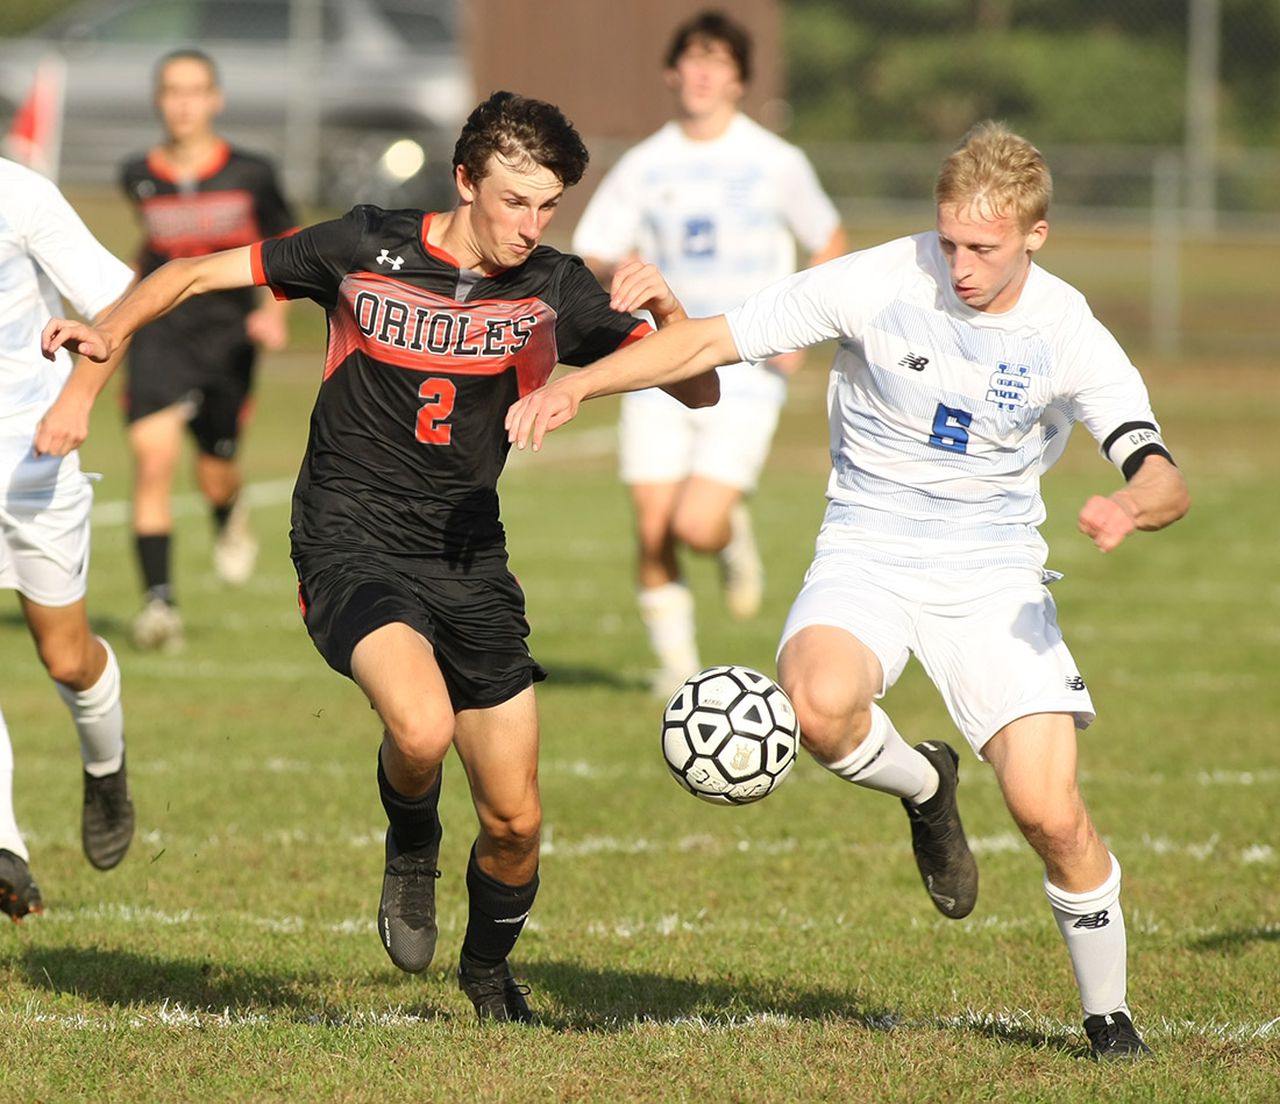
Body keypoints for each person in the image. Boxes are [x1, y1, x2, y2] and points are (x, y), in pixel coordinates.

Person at [507, 121, 1190, 1060]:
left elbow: (1163, 474)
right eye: (948, 240)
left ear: (1036, 235)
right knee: (819, 705)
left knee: (1048, 813)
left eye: (983, 248)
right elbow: (708, 339)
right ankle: (926, 785)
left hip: (991, 573)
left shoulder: (1068, 330)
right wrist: (582, 387)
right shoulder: (877, 280)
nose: (959, 265)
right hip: (866, 546)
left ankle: (1109, 1018)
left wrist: (1129, 506)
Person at [42, 91, 714, 1019]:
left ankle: (487, 973)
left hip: (470, 553)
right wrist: (111, 332)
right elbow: (195, 271)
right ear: (465, 178)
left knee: (516, 823)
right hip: (348, 533)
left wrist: (673, 310)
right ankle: (410, 842)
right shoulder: (363, 245)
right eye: (514, 200)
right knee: (421, 727)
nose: (531, 224)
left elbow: (700, 392)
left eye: (549, 205)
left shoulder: (555, 286)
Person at [571, 10, 846, 695]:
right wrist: (622, 279)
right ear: (671, 73)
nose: (701, 73)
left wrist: (800, 326)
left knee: (697, 524)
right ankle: (678, 671)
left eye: (717, 62)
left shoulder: (774, 161)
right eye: (691, 60)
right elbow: (594, 249)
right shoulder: (646, 164)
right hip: (658, 362)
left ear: (739, 80)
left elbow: (830, 238)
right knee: (652, 525)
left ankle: (729, 540)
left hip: (744, 364)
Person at [120, 49, 297, 652]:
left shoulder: (251, 172)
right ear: (158, 100)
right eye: (172, 91)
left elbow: (289, 243)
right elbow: (149, 252)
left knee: (215, 471)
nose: (184, 103)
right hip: (162, 332)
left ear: (215, 99)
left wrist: (274, 312)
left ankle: (229, 512)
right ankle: (159, 605)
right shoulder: (136, 173)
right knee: (152, 461)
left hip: (229, 339)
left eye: (195, 90)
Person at [0, 157, 138, 922]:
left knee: (67, 657)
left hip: (35, 459)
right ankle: (5, 844)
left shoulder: (20, 195)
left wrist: (80, 398)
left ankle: (106, 767)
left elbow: (120, 301)